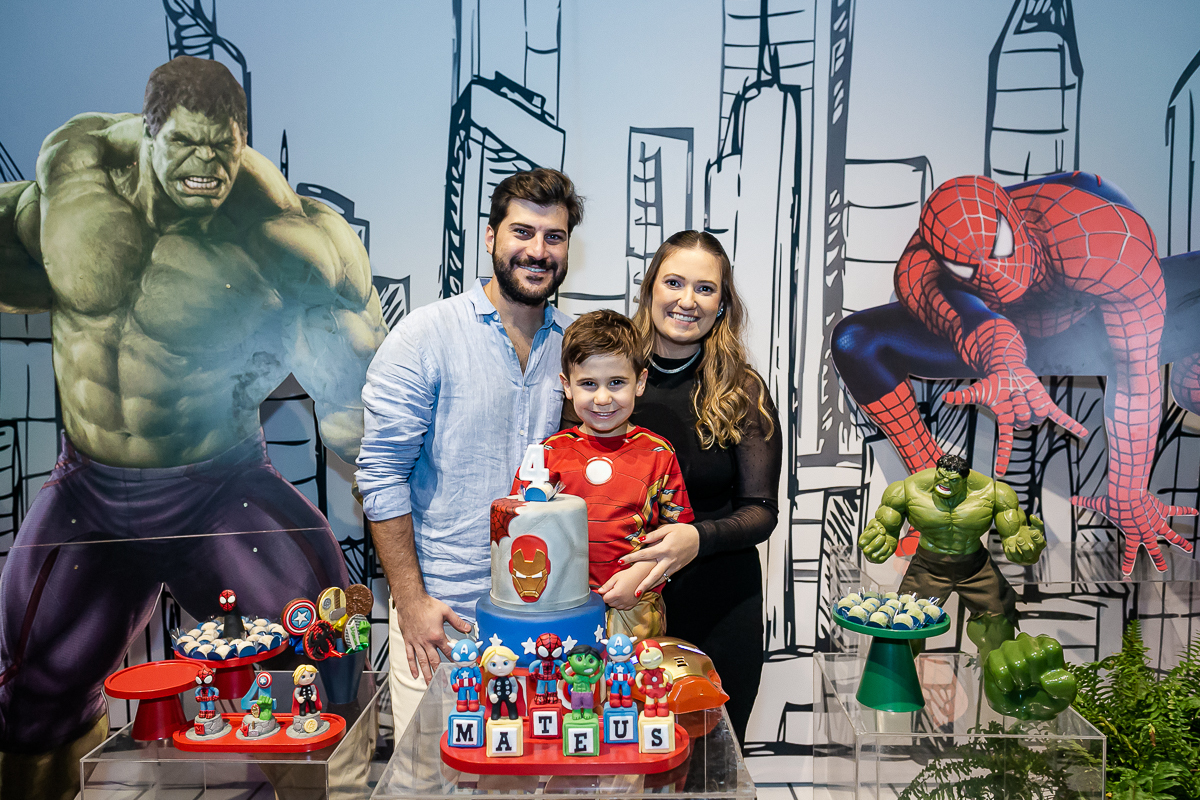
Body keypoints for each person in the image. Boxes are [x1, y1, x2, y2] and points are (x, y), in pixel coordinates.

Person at [0, 56, 384, 796]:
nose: (206, 166)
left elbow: (354, 408)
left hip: (219, 487)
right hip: (89, 492)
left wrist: (361, 438)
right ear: (149, 133)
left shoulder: (282, 239)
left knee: (317, 663)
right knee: (31, 700)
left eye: (223, 149)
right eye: (185, 145)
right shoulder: (72, 187)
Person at [356, 168, 584, 735]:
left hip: (547, 621)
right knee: (436, 785)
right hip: (447, 621)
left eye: (553, 237)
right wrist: (409, 601)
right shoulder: (424, 336)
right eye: (522, 232)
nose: (538, 250)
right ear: (490, 238)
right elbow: (380, 476)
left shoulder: (577, 350)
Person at [622, 230, 782, 745]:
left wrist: (698, 538)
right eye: (673, 282)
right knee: (627, 766)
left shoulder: (743, 391)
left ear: (722, 303)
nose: (686, 301)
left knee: (714, 770)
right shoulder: (610, 379)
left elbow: (760, 511)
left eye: (705, 289)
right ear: (650, 289)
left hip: (719, 604)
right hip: (623, 608)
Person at [513, 310, 693, 637]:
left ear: (639, 381)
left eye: (616, 383)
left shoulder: (658, 454)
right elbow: (520, 527)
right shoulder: (548, 453)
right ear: (567, 386)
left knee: (636, 685)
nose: (602, 398)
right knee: (572, 688)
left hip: (636, 606)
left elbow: (676, 538)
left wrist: (641, 576)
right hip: (560, 607)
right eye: (588, 384)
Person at [857, 453, 1077, 720]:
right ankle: (887, 691)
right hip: (929, 564)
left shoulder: (994, 493)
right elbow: (883, 530)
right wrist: (879, 539)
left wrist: (1025, 546)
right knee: (902, 627)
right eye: (941, 478)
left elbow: (1016, 542)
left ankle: (1002, 694)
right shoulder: (906, 490)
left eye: (952, 482)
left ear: (965, 478)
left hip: (975, 565)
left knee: (997, 626)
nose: (945, 486)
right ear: (936, 471)